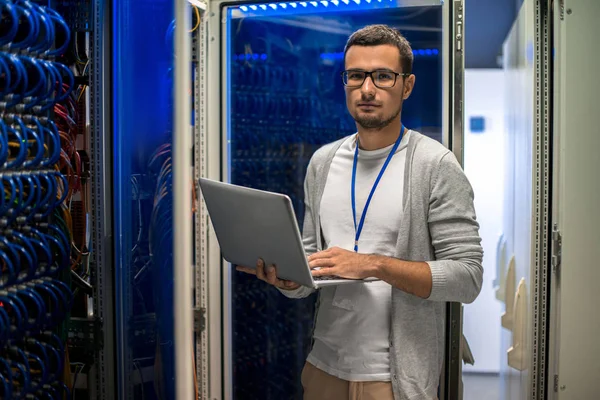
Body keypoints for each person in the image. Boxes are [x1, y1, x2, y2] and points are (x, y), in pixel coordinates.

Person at [236, 24, 483, 400]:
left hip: (395, 379)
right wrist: (289, 280)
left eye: (383, 76)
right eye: (356, 76)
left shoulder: (434, 165)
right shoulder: (323, 162)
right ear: (345, 82)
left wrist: (373, 264)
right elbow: (311, 265)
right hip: (323, 368)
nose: (367, 89)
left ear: (407, 85)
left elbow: (467, 277)